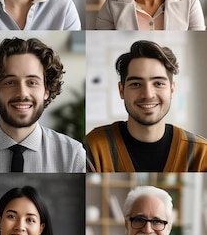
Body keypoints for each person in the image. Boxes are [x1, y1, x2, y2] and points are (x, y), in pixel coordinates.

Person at [0, 37, 85, 172]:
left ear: (46, 91)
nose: (22, 93)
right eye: (10, 82)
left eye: (32, 82)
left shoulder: (73, 155)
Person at [86, 40, 207, 172]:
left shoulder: (201, 153)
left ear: (172, 90)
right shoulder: (94, 146)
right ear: (121, 90)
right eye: (136, 84)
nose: (148, 94)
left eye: (158, 83)